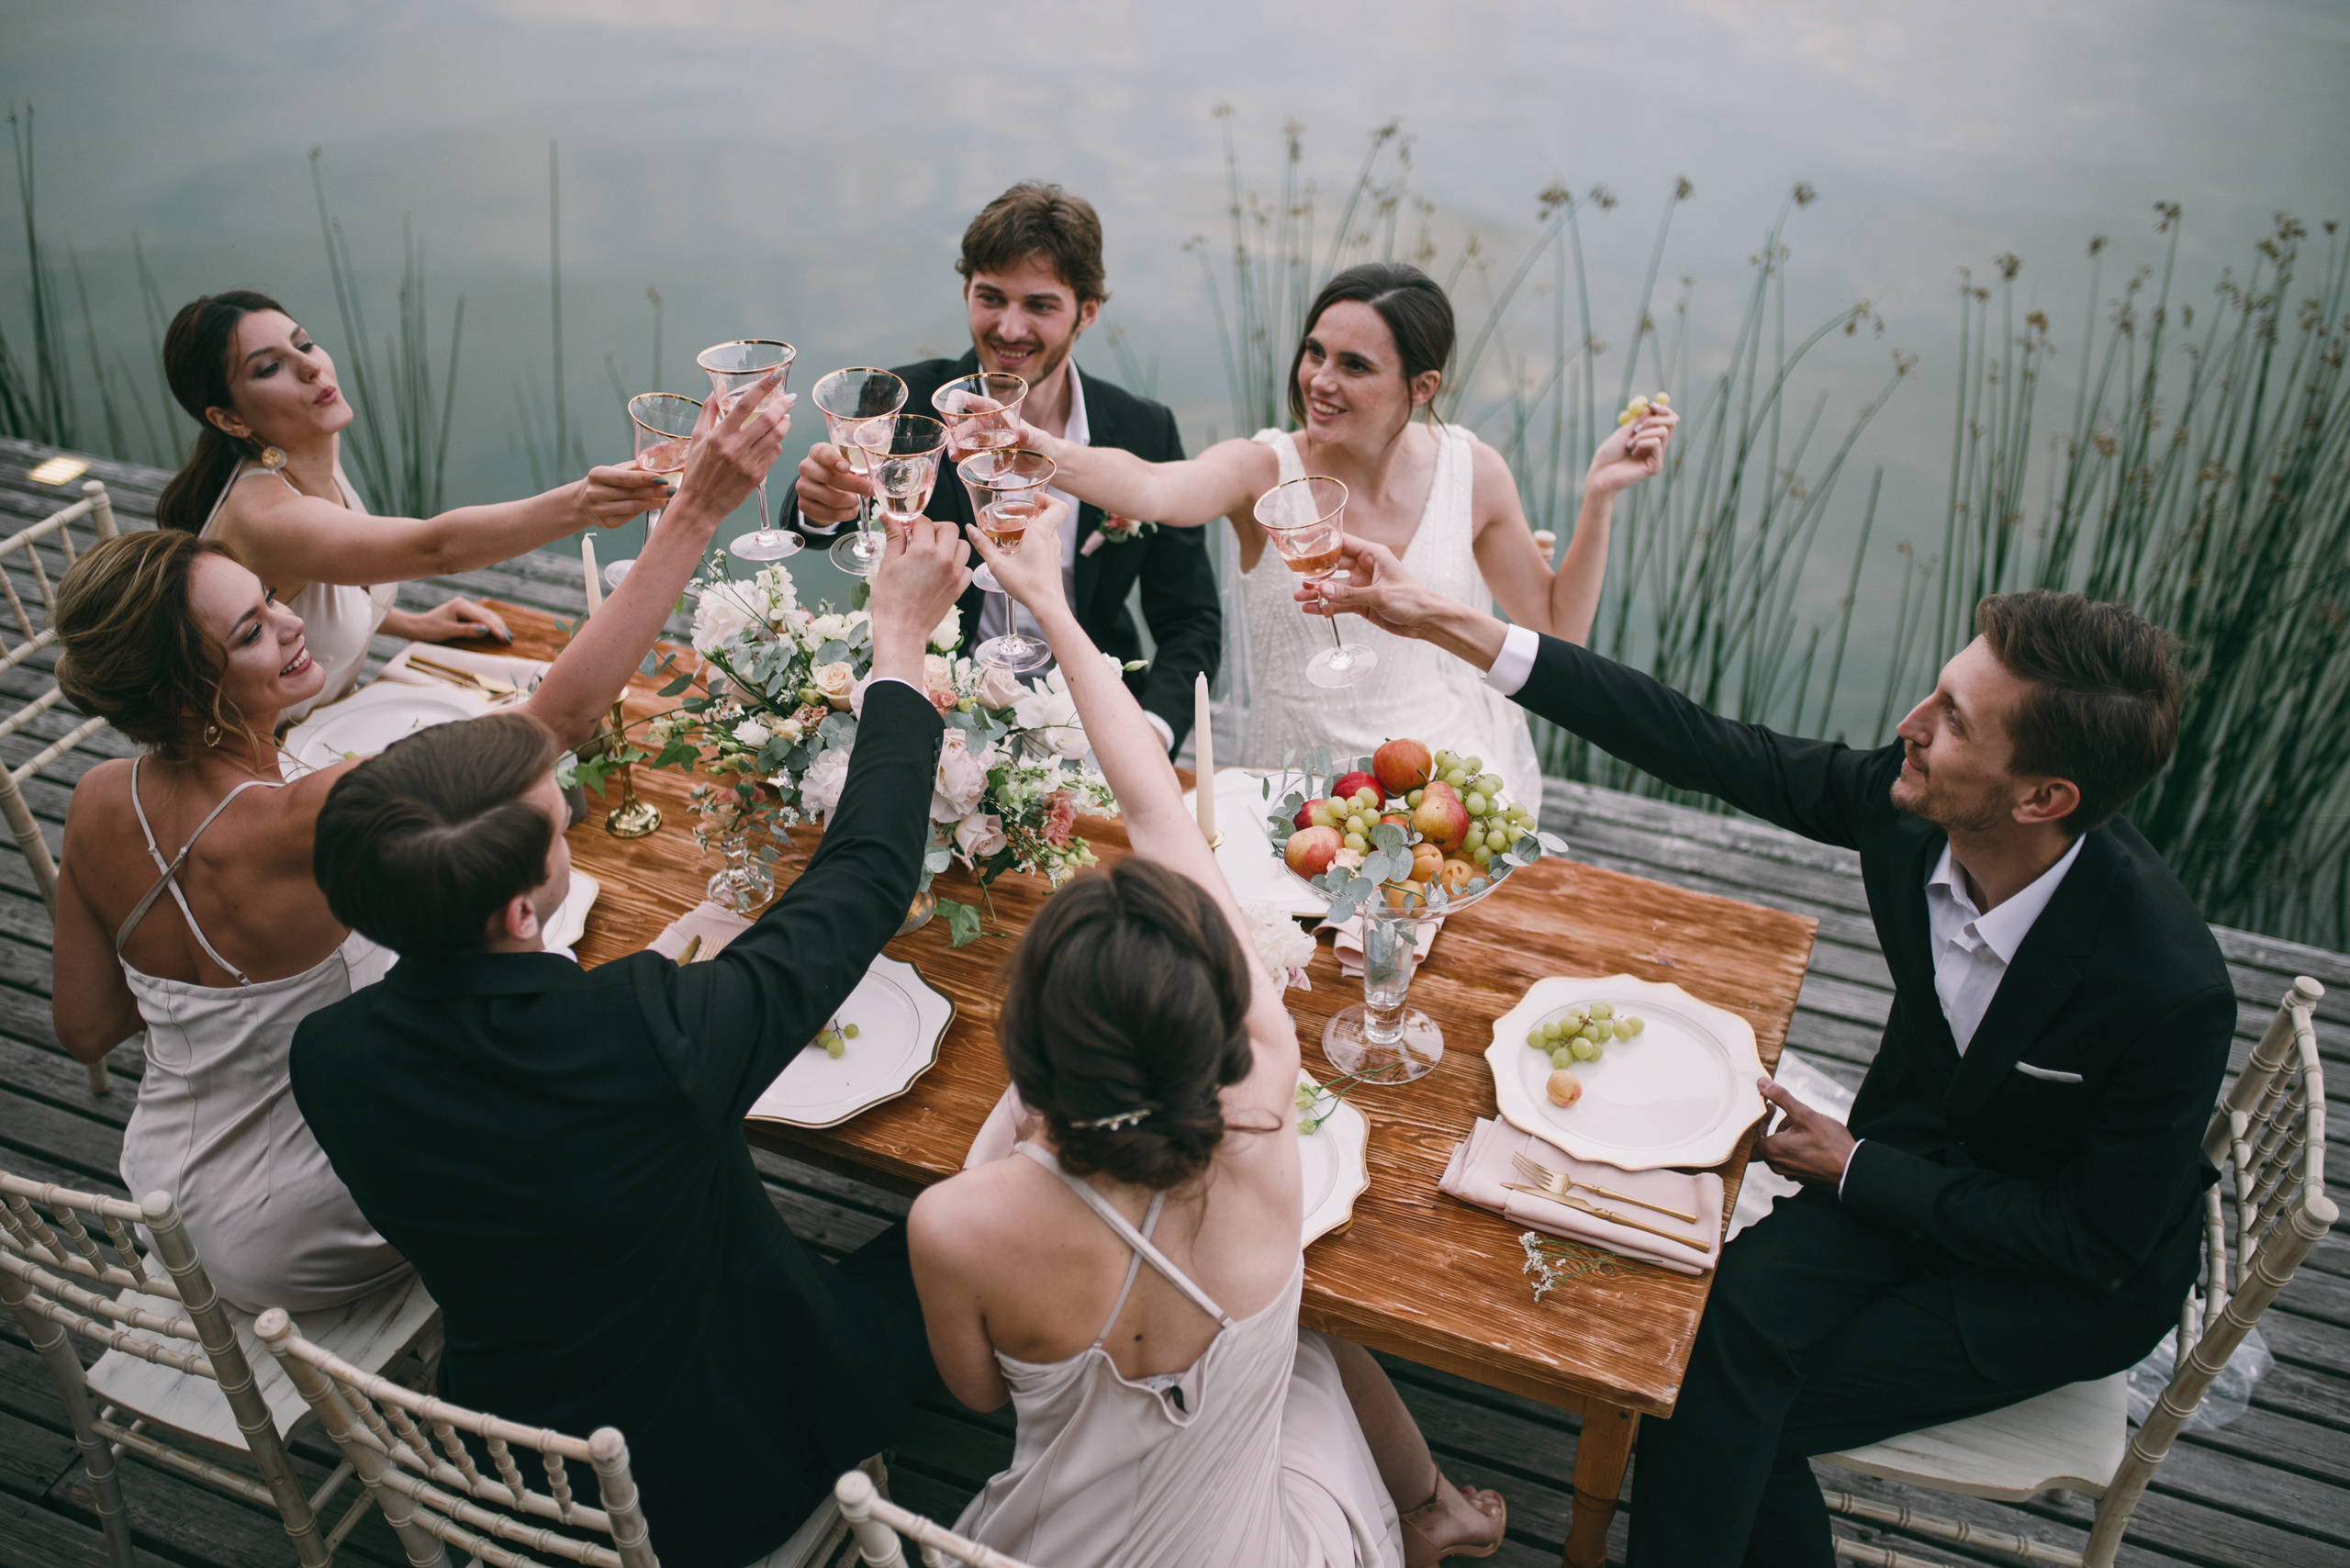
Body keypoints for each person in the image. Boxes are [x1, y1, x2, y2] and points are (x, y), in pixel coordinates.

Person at [1295, 540, 2235, 1567]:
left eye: (1955, 722)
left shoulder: (2168, 991)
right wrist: (1445, 620)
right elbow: (1702, 742)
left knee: (1724, 1408)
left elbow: (2093, 1240)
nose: (1908, 725)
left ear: (2042, 800)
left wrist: (1857, 1166)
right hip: (1897, 1173)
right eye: (1936, 693)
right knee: (1696, 1361)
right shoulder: (1911, 810)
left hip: (2050, 1282)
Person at [288, 511, 968, 1568]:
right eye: (559, 822)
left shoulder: (327, 1056)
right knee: (954, 1224)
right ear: (521, 910)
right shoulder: (650, 1032)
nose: (566, 812)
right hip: (725, 1473)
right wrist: (899, 640)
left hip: (514, 1455)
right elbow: (865, 876)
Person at [48, 372, 790, 1316]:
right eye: (250, 632)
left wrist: (235, 993)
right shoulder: (306, 813)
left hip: (170, 1191)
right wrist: (693, 515)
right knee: (639, 1090)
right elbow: (554, 720)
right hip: (318, 1212)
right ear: (186, 695)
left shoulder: (98, 799)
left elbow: (86, 1028)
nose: (291, 620)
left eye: (268, 596)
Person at [906, 500, 1507, 1568]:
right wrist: (1054, 601)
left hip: (1056, 1545)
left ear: (1030, 1050)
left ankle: (1424, 1514)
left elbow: (978, 1392)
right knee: (1305, 1353)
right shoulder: (1268, 1103)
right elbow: (1157, 811)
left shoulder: (954, 1222)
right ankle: (1428, 1513)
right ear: (1211, 1023)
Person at [971, 260, 1674, 782]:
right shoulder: (1261, 470)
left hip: (1443, 783)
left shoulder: (1474, 474)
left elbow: (1556, 633)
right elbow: (1155, 487)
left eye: (1354, 365)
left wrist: (1599, 496)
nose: (1320, 380)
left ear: (1421, 386)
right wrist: (1044, 449)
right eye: (1315, 352)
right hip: (1293, 791)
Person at [793, 182, 1220, 754]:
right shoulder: (903, 400)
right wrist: (820, 506)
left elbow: (1191, 619)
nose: (1009, 330)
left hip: (1094, 725)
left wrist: (1152, 734)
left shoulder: (1144, 429)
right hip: (936, 715)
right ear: (966, 290)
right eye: (991, 297)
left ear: (1087, 311)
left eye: (1039, 305)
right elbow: (835, 518)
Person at [155, 289, 671, 722]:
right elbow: (437, 549)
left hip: (333, 720)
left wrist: (408, 622)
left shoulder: (311, 449)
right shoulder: (266, 515)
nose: (311, 367)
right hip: (264, 755)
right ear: (229, 419)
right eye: (271, 367)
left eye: (305, 343)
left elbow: (324, 579)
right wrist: (582, 502)